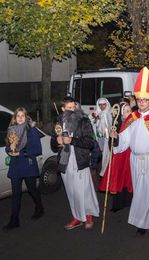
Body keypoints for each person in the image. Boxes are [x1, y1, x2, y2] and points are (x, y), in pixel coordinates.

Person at [110, 67, 149, 234]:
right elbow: (125, 138)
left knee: (148, 190)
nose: (141, 103)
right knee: (139, 190)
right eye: (139, 100)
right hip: (135, 159)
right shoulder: (133, 117)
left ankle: (142, 223)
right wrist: (116, 139)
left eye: (145, 100)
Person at [51, 97, 99, 230]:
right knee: (71, 192)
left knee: (84, 190)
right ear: (62, 109)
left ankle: (88, 214)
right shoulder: (58, 122)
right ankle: (77, 217)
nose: (72, 110)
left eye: (74, 107)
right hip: (65, 161)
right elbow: (53, 145)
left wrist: (72, 140)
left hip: (80, 160)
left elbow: (90, 142)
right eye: (69, 108)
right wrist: (57, 141)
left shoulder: (83, 121)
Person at [3, 108, 44, 231]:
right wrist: (10, 150)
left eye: (22, 115)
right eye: (18, 116)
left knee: (32, 189)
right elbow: (7, 147)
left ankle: (40, 207)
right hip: (15, 166)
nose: (20, 118)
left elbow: (37, 149)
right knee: (16, 193)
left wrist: (21, 154)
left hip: (28, 164)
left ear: (26, 117)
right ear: (14, 118)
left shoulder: (31, 130)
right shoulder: (11, 130)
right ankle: (14, 220)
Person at [98, 103, 133, 212]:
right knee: (119, 177)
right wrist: (114, 138)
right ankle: (118, 204)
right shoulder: (117, 124)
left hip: (130, 154)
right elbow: (112, 143)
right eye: (126, 111)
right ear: (121, 113)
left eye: (130, 110)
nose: (129, 113)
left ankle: (129, 201)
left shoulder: (133, 123)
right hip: (120, 155)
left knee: (129, 178)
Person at [90, 98, 112, 177]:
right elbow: (91, 121)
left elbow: (109, 125)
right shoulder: (97, 112)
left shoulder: (109, 113)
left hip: (106, 137)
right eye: (100, 105)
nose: (102, 106)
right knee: (100, 153)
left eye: (104, 104)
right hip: (99, 136)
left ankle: (105, 171)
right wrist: (96, 119)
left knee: (106, 154)